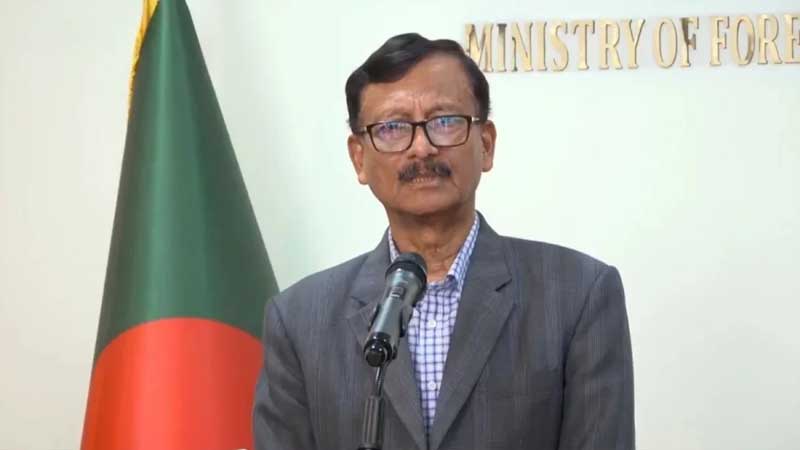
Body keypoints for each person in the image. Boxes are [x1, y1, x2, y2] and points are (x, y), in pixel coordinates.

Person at [253, 33, 634, 450]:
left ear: (486, 144)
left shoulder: (577, 296)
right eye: (393, 128)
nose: (422, 148)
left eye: (445, 121)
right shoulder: (300, 321)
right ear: (359, 158)